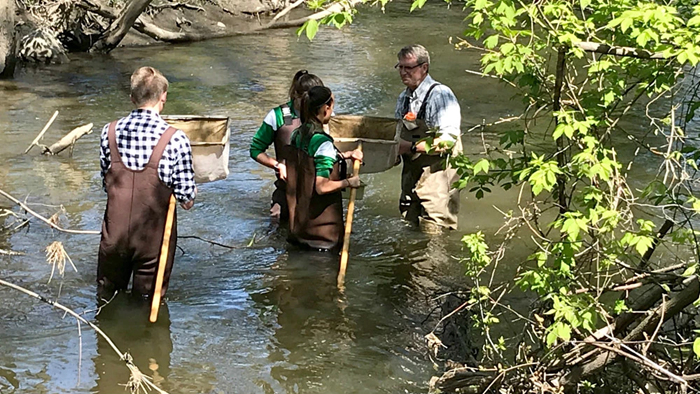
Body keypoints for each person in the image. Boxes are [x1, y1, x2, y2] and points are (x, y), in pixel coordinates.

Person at [98, 66, 196, 301]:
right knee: (147, 303)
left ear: (132, 98)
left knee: (106, 301)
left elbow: (106, 183)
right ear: (163, 97)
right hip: (153, 242)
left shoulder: (108, 132)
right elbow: (187, 200)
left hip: (114, 235)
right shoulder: (176, 139)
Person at [283, 86, 363, 251]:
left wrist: (346, 154)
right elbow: (321, 186)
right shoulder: (323, 142)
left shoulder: (297, 135)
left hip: (299, 231)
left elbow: (311, 164)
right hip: (323, 238)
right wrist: (349, 182)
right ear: (326, 108)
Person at [394, 44, 463, 231]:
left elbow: (447, 142)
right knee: (409, 224)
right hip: (412, 174)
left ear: (424, 68)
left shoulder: (440, 96)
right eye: (400, 67)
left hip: (438, 175)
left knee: (434, 229)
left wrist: (410, 147)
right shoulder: (404, 98)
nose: (402, 72)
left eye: (408, 67)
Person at [250, 70, 325, 220]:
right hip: (286, 190)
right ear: (297, 96)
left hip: (317, 191)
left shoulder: (325, 115)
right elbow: (255, 150)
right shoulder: (277, 116)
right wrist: (277, 165)